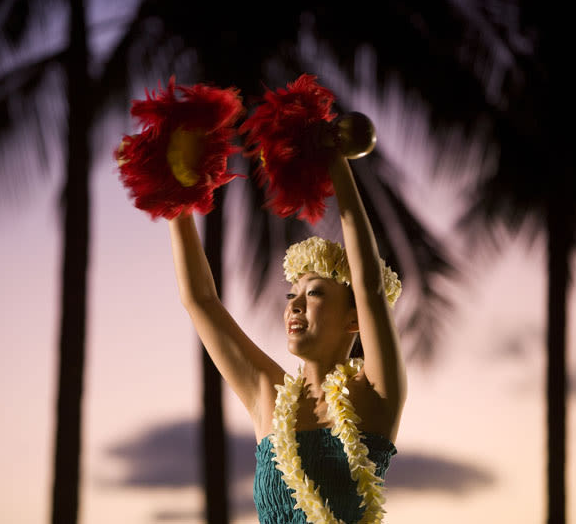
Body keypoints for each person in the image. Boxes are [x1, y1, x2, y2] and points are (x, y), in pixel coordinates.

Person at [168, 149, 407, 523]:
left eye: (313, 293)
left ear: (354, 318)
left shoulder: (376, 394)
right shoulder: (268, 394)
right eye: (291, 295)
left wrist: (335, 160)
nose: (294, 306)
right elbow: (201, 301)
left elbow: (370, 286)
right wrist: (174, 194)